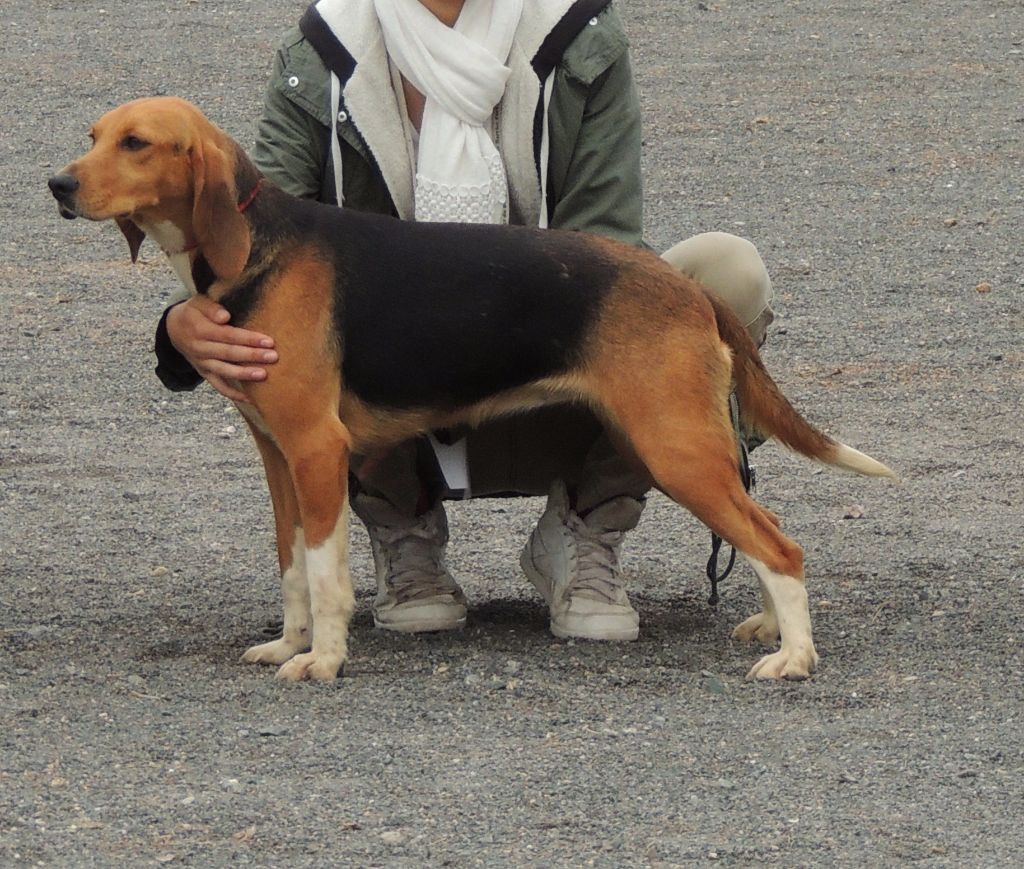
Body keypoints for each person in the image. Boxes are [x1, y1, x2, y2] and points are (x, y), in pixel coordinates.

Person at [153, 0, 775, 643]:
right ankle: (403, 530)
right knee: (325, 330)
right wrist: (179, 328)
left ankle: (588, 524)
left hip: (557, 367)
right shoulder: (323, 46)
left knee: (725, 274)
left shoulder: (575, 33)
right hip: (389, 397)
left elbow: (606, 242)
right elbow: (258, 241)